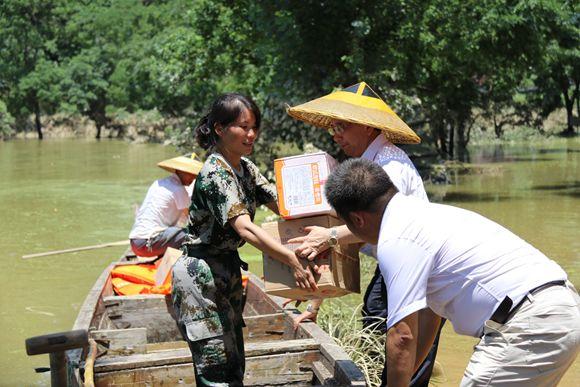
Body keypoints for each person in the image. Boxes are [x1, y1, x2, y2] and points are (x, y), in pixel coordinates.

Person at [325, 158, 580, 387]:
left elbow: (401, 336)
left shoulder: (396, 239)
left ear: (357, 220)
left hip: (528, 324)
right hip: (560, 313)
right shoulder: (424, 215)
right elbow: (430, 315)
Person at [286, 81, 442, 386]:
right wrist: (316, 302)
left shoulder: (389, 164)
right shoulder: (366, 165)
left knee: (404, 352)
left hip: (417, 266)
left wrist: (329, 236)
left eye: (343, 126)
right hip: (393, 265)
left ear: (369, 128)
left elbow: (384, 225)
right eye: (333, 128)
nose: (337, 135)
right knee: (375, 320)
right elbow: (356, 239)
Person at [171, 93, 318, 386]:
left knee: (235, 361)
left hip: (228, 270)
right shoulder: (215, 173)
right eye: (243, 126)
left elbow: (283, 205)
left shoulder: (246, 168)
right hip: (200, 275)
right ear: (219, 128)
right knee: (214, 369)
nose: (251, 134)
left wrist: (322, 223)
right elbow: (246, 229)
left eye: (255, 127)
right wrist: (289, 258)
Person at [129, 154, 203, 257]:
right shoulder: (179, 189)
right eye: (190, 173)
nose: (193, 178)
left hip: (135, 243)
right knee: (194, 235)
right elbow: (192, 219)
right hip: (147, 244)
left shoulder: (158, 183)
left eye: (195, 174)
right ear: (180, 171)